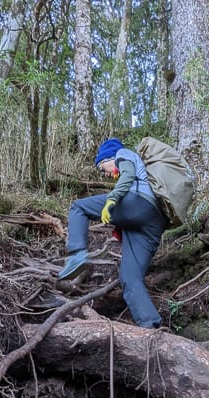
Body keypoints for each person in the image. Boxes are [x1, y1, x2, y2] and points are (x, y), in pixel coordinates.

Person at [57, 138, 166, 328]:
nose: (104, 174)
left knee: (78, 208)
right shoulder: (142, 174)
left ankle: (77, 255)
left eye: (102, 167)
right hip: (154, 222)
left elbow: (128, 174)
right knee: (130, 278)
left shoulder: (123, 153)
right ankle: (152, 326)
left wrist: (112, 198)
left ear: (110, 157)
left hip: (139, 203)